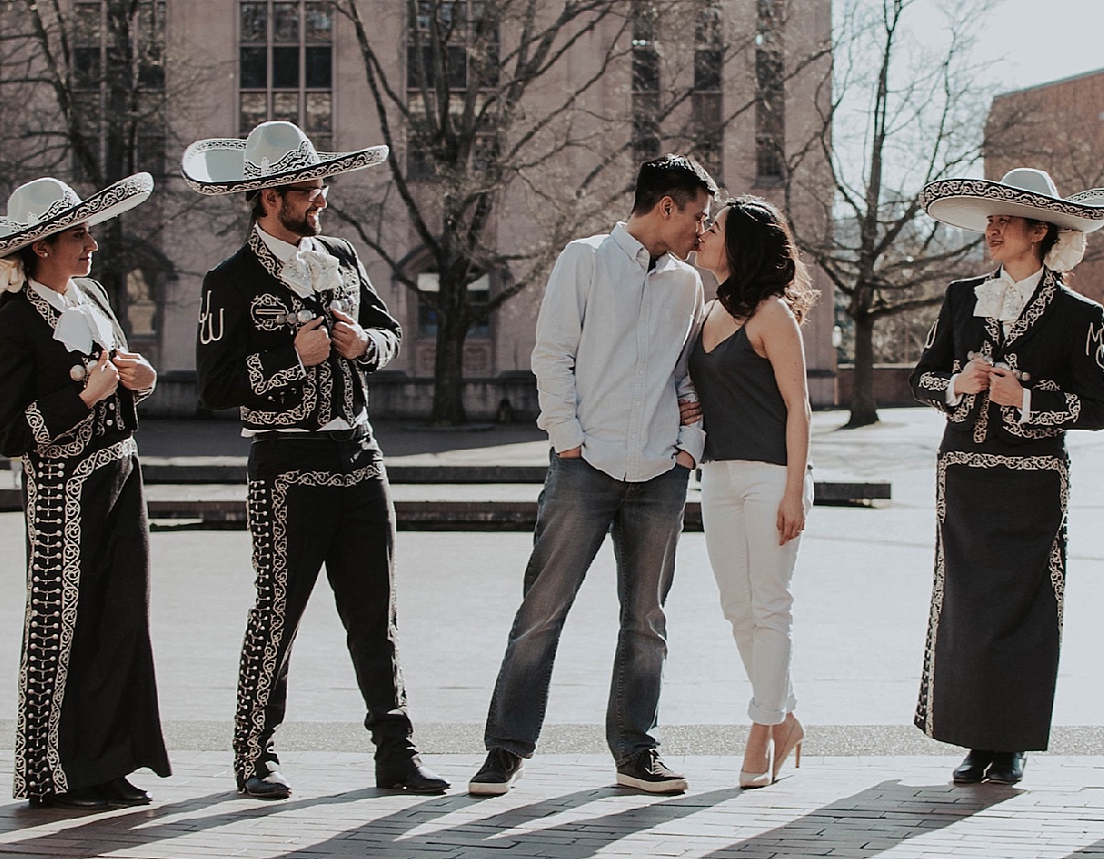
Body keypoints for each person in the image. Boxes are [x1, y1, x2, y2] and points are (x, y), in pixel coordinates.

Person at [184, 120, 447, 799]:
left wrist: (365, 347)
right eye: (307, 188)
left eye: (322, 183)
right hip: (283, 464)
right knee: (277, 614)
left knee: (376, 615)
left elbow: (388, 334)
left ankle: (396, 754)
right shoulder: (230, 279)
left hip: (359, 454)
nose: (321, 198)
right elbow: (212, 385)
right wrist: (285, 359)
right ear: (268, 196)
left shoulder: (342, 255)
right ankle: (254, 755)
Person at [470, 156, 716, 797]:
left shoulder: (687, 284)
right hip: (585, 466)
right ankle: (505, 750)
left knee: (646, 621)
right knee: (542, 612)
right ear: (666, 206)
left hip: (661, 470)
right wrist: (569, 441)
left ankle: (636, 751)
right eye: (697, 214)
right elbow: (552, 354)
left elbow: (685, 372)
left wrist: (689, 445)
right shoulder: (584, 259)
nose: (702, 228)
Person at [0, 173, 170, 809]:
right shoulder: (13, 324)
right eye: (79, 234)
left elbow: (122, 382)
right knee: (63, 624)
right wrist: (82, 396)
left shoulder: (94, 295)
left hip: (120, 475)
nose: (92, 244)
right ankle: (53, 770)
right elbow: (10, 433)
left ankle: (109, 761)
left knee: (123, 616)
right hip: (61, 496)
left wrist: (141, 380)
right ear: (42, 245)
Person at [909, 169, 1104, 787]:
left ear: (1040, 230)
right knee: (967, 611)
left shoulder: (1081, 314)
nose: (992, 228)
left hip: (1034, 483)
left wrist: (1028, 398)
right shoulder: (960, 297)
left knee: (1026, 612)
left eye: (1006, 219)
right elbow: (922, 378)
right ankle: (974, 740)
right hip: (966, 477)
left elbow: (1100, 408)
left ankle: (1012, 743)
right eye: (990, 219)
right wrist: (959, 384)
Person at [689, 196, 818, 788]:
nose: (701, 233)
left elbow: (800, 407)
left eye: (712, 228)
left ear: (738, 245)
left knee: (770, 605)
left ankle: (761, 730)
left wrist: (794, 491)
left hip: (772, 476)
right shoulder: (705, 310)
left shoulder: (771, 314)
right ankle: (785, 716)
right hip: (717, 476)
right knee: (739, 610)